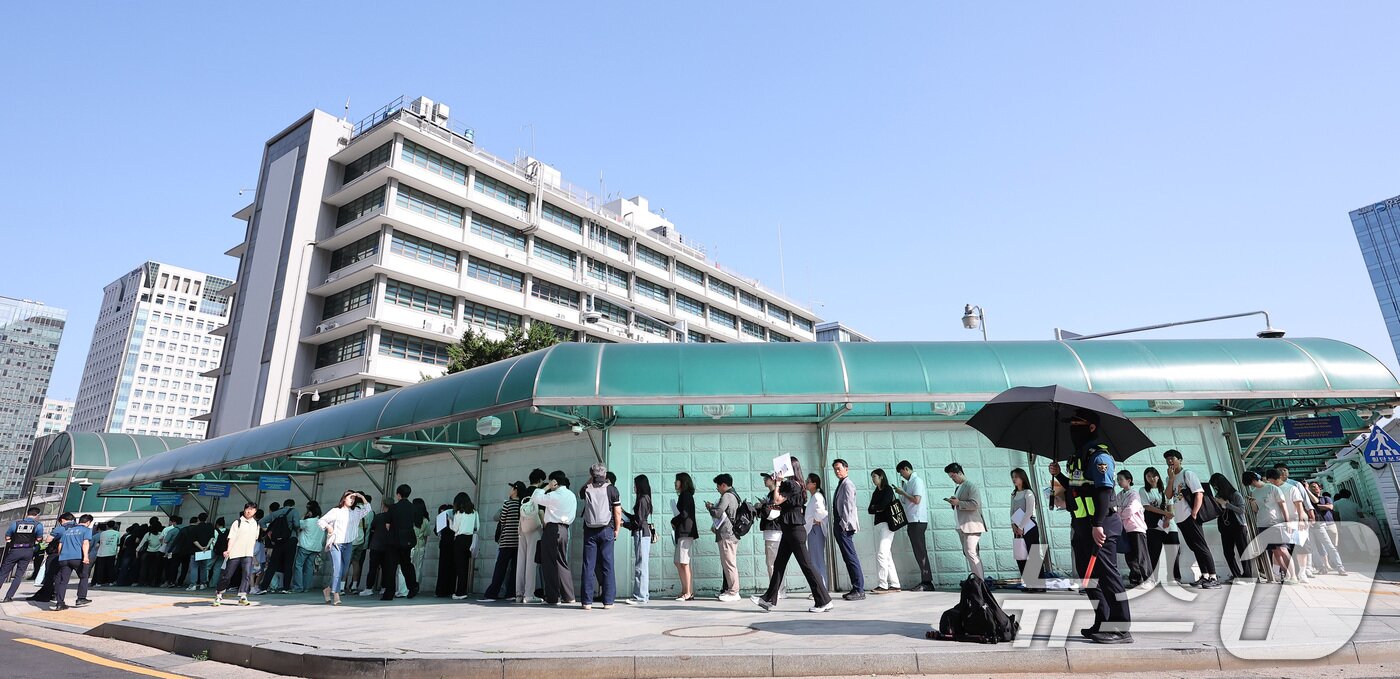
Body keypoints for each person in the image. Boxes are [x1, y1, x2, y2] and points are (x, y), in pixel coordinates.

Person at [1050, 409, 1132, 644]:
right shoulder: (1078, 457)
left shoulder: (1099, 456)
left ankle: (1121, 627)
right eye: (1071, 423)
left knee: (1108, 576)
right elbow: (1078, 487)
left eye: (1077, 424)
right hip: (1082, 524)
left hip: (1101, 524)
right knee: (1089, 578)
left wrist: (1097, 525)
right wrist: (1059, 476)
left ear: (1091, 427)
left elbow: (1104, 491)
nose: (1072, 428)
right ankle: (1102, 621)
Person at [751, 456, 833, 613]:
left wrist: (779, 481)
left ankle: (824, 600)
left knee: (807, 565)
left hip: (794, 530)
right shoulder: (798, 484)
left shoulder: (791, 484)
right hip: (789, 529)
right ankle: (768, 600)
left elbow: (776, 499)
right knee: (779, 565)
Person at [1164, 451, 1220, 589]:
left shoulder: (1187, 474)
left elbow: (1199, 493)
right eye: (1167, 459)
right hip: (1180, 518)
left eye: (1172, 458)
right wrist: (1171, 479)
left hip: (1190, 516)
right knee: (1194, 547)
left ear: (1180, 460)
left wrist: (1194, 512)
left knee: (1201, 546)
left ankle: (1213, 577)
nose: (1170, 461)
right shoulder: (1170, 477)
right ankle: (1205, 575)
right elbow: (1168, 495)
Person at [579, 462, 622, 610]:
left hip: (590, 530)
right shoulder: (612, 489)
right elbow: (617, 512)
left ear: (592, 474)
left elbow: (581, 491)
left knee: (588, 566)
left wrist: (591, 479)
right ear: (605, 474)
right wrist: (617, 529)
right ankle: (608, 601)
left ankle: (586, 602)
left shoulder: (586, 489)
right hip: (606, 530)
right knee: (608, 565)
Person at [318, 490, 371, 605]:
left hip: (348, 544)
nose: (352, 500)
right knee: (337, 568)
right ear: (344, 498)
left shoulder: (355, 512)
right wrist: (328, 527)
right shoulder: (336, 511)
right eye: (350, 497)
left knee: (344, 570)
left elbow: (368, 509)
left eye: (353, 498)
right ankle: (336, 595)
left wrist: (361, 496)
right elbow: (321, 520)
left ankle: (328, 590)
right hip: (336, 543)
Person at [535, 470, 578, 605]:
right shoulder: (571, 495)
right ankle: (569, 596)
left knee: (549, 563)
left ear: (555, 482)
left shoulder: (554, 495)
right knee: (561, 562)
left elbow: (535, 497)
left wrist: (547, 487)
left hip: (552, 529)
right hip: (565, 529)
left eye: (550, 482)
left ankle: (553, 597)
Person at [1247, 470, 1294, 584]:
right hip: (1262, 523)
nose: (1251, 485)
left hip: (1276, 522)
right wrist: (1252, 502)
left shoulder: (1272, 488)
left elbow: (1283, 505)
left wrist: (1287, 522)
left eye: (1250, 482)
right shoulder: (1254, 492)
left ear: (1253, 480)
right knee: (1275, 551)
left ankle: (1293, 576)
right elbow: (1256, 510)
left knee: (1283, 549)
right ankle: (1286, 575)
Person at [893, 460, 933, 591]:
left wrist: (903, 492)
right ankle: (925, 580)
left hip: (918, 520)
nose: (901, 475)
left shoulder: (917, 481)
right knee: (918, 551)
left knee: (920, 551)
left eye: (901, 473)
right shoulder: (908, 483)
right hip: (912, 521)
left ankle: (927, 582)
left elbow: (917, 500)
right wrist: (901, 491)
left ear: (906, 469)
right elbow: (905, 501)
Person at [480, 482, 523, 602]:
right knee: (515, 569)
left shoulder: (507, 504)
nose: (510, 490)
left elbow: (502, 520)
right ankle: (511, 593)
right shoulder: (522, 504)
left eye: (511, 488)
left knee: (500, 568)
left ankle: (492, 593)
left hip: (506, 541)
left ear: (515, 490)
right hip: (518, 541)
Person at [830, 459, 865, 600]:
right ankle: (856, 588)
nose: (837, 471)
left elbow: (849, 506)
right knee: (848, 558)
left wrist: (843, 525)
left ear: (846, 468)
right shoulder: (842, 484)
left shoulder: (848, 485)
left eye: (839, 468)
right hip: (840, 524)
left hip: (844, 526)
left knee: (851, 558)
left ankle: (859, 589)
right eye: (835, 469)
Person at [945, 462, 986, 580]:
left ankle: (980, 582)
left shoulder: (970, 486)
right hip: (962, 526)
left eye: (953, 476)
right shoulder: (959, 488)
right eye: (950, 477)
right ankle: (977, 580)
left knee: (971, 552)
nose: (953, 479)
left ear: (960, 473)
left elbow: (975, 504)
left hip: (972, 525)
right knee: (969, 553)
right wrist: (954, 503)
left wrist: (958, 503)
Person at [214, 503, 260, 606]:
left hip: (247, 553)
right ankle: (219, 593)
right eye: (247, 509)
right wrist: (228, 550)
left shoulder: (256, 524)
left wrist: (253, 555)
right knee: (227, 575)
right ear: (244, 510)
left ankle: (243, 596)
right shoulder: (237, 522)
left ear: (255, 511)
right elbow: (231, 538)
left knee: (247, 575)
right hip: (235, 553)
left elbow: (254, 540)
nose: (249, 511)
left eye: (251, 509)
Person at [1209, 473, 1253, 582]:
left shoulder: (1235, 494)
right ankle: (1236, 575)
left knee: (1243, 551)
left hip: (1238, 526)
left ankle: (1247, 575)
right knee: (1228, 552)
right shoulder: (1218, 496)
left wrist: (1226, 504)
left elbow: (1242, 510)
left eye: (1216, 486)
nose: (1216, 489)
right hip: (1225, 527)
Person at [1140, 467, 1180, 583]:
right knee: (1153, 553)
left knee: (1173, 552)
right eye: (1148, 476)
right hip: (1154, 525)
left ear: (1158, 476)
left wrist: (1167, 518)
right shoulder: (1143, 490)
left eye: (1154, 475)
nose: (1152, 478)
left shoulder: (1165, 490)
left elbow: (1170, 506)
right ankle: (1152, 579)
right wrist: (1165, 513)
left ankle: (1173, 578)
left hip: (1169, 526)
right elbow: (1148, 507)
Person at [706, 474, 741, 602]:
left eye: (718, 486)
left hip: (727, 535)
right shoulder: (734, 495)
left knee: (729, 564)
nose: (717, 488)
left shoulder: (727, 496)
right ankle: (729, 590)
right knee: (728, 563)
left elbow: (718, 512)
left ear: (723, 485)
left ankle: (734, 592)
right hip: (730, 535)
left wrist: (710, 508)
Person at [515, 468, 548, 604]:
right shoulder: (537, 492)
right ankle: (529, 594)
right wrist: (545, 526)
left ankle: (519, 593)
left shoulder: (523, 492)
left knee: (521, 560)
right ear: (540, 480)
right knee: (531, 561)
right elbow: (540, 511)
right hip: (534, 527)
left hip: (521, 527)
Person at [382, 484, 421, 601]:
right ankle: (412, 587)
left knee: (391, 566)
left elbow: (387, 524)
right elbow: (417, 523)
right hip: (408, 539)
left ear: (398, 494)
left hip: (394, 539)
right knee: (406, 564)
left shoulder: (393, 507)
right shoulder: (413, 507)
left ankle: (389, 593)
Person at [867, 468, 901, 593]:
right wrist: (877, 507)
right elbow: (870, 509)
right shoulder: (876, 492)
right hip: (879, 524)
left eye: (874, 476)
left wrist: (877, 507)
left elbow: (882, 505)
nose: (873, 479)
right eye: (872, 477)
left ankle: (883, 584)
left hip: (888, 524)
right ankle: (895, 584)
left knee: (882, 554)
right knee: (887, 556)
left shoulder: (887, 490)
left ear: (881, 476)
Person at [1009, 468, 1044, 590]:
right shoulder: (1013, 494)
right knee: (1021, 555)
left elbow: (1029, 511)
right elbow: (1011, 511)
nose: (1014, 479)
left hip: (1029, 526)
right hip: (1017, 527)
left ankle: (1038, 584)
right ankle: (1029, 583)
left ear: (1022, 478)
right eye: (1013, 477)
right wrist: (1013, 525)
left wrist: (1021, 526)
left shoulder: (1028, 493)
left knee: (1032, 554)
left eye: (1016, 477)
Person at [1114, 470, 1150, 587]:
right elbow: (1116, 509)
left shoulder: (1134, 494)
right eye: (1118, 479)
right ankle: (1135, 578)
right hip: (1125, 529)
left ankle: (1148, 579)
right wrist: (1120, 511)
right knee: (1129, 555)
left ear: (1128, 480)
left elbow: (1129, 510)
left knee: (1141, 555)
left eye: (1121, 479)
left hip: (1136, 528)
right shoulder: (1119, 495)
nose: (1119, 481)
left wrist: (1120, 511)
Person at [1, 506, 45, 602]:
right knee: (18, 575)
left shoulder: (16, 523)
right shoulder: (38, 525)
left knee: (3, 573)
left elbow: (8, 536)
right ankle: (8, 597)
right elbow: (39, 539)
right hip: (28, 550)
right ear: (37, 515)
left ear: (27, 514)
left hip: (14, 550)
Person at [52, 513, 95, 610]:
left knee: (63, 581)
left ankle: (60, 603)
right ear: (88, 522)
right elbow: (85, 543)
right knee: (84, 576)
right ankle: (81, 598)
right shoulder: (86, 530)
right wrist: (85, 557)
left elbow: (60, 545)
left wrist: (60, 556)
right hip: (77, 557)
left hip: (64, 558)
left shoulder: (68, 531)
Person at [258, 499, 300, 594]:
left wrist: (269, 532)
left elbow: (261, 522)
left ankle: (264, 587)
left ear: (284, 505)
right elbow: (297, 524)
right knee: (288, 564)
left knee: (272, 565)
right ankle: (285, 588)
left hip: (277, 542)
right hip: (290, 540)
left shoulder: (276, 513)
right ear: (292, 505)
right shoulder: (294, 511)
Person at [1308, 481, 1348, 575]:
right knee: (1319, 548)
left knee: (1332, 546)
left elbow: (1329, 507)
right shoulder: (1308, 499)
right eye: (1311, 487)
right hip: (1316, 525)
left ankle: (1338, 566)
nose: (1314, 489)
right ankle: (1324, 566)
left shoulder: (1325, 498)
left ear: (1320, 487)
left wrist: (1317, 507)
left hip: (1329, 524)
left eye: (1315, 487)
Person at [757, 473, 785, 600]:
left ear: (773, 480)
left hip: (775, 533)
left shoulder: (776, 494)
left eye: (766, 478)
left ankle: (778, 591)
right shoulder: (770, 494)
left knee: (773, 564)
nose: (764, 480)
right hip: (770, 533)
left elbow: (773, 513)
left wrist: (763, 507)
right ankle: (778, 590)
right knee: (771, 563)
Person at [670, 472, 698, 601]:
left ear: (683, 482)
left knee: (684, 562)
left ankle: (688, 592)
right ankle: (685, 590)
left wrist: (674, 521)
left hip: (686, 532)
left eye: (677, 480)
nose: (675, 483)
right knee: (678, 562)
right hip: (682, 532)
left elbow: (684, 514)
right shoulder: (684, 495)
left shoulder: (686, 495)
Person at [626, 475, 654, 604]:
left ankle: (640, 596)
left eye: (635, 484)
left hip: (641, 533)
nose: (634, 487)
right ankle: (643, 595)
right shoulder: (646, 498)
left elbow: (638, 521)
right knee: (643, 565)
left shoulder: (642, 500)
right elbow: (638, 517)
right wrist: (624, 514)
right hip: (644, 533)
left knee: (640, 566)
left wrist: (623, 524)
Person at [396, 499, 430, 598]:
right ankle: (415, 587)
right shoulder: (425, 520)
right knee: (417, 568)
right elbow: (426, 535)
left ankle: (403, 590)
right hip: (420, 546)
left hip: (409, 546)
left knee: (403, 568)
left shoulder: (408, 518)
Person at [449, 492, 478, 600]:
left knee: (459, 567)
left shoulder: (458, 514)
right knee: (466, 566)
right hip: (470, 539)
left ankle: (459, 592)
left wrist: (450, 522)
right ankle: (464, 591)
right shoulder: (474, 512)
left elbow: (455, 529)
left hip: (460, 539)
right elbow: (477, 526)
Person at [293, 501, 324, 593]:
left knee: (298, 565)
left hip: (305, 546)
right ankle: (307, 587)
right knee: (309, 567)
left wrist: (305, 515)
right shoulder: (322, 522)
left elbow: (297, 524)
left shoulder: (307, 521)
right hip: (315, 548)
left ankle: (298, 587)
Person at [804, 473, 829, 588]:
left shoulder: (817, 496)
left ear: (814, 484)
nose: (806, 483)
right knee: (815, 559)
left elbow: (821, 511)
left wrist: (816, 520)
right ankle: (820, 587)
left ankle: (821, 587)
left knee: (817, 559)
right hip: (813, 529)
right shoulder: (815, 496)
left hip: (815, 529)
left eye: (808, 481)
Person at [185, 513, 217, 591]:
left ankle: (193, 585)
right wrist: (206, 547)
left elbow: (194, 540)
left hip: (196, 551)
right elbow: (212, 537)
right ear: (206, 518)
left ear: (198, 519)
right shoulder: (210, 527)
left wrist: (200, 547)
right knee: (204, 567)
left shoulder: (195, 528)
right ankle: (203, 584)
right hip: (206, 551)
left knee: (194, 567)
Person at [435, 502, 455, 598]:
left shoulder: (442, 517)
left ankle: (441, 590)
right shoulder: (456, 516)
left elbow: (436, 530)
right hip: (454, 544)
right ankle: (451, 589)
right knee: (453, 568)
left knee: (443, 568)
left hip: (444, 545)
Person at [139, 517, 165, 587]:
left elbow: (141, 543)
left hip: (148, 552)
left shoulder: (148, 533)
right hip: (157, 553)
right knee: (154, 568)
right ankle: (152, 582)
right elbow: (163, 543)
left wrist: (137, 550)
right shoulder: (161, 534)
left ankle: (142, 582)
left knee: (144, 568)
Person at [93, 521, 121, 587]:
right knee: (110, 568)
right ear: (114, 526)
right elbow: (118, 542)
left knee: (100, 569)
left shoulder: (103, 533)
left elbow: (100, 542)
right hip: (111, 552)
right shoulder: (117, 533)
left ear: (107, 526)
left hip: (101, 553)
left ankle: (99, 582)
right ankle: (111, 582)